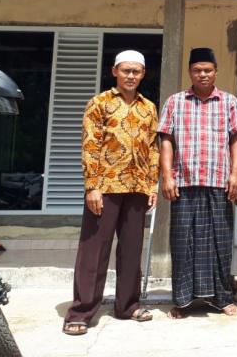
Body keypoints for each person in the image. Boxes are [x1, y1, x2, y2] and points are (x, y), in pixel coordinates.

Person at [63, 50, 159, 335]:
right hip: (104, 187)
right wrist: (91, 186)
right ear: (114, 71)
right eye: (126, 71)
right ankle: (81, 311)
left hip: (137, 188)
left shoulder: (149, 107)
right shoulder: (99, 103)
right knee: (95, 250)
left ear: (143, 74)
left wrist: (152, 184)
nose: (131, 76)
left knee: (131, 250)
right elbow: (90, 146)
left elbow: (152, 148)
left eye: (136, 72)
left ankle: (127, 305)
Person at [158, 47, 237, 318]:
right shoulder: (175, 101)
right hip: (184, 182)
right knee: (184, 242)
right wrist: (167, 175)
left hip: (219, 182)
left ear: (216, 72)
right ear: (190, 73)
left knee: (219, 241)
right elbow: (166, 140)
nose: (203, 74)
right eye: (197, 70)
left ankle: (222, 298)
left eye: (208, 70)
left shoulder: (229, 101)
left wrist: (235, 174)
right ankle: (184, 301)